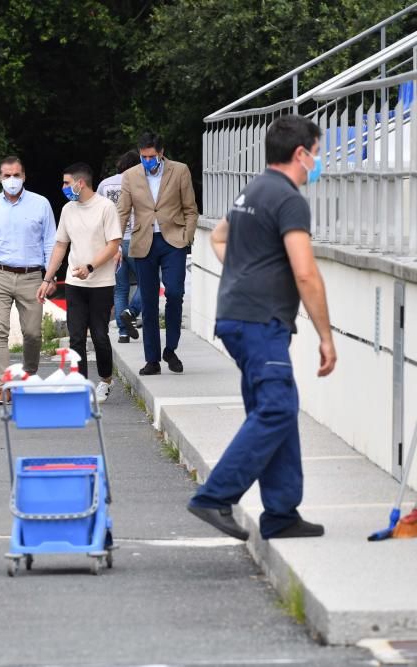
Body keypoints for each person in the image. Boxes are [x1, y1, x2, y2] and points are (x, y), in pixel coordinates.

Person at [187, 115, 336, 541]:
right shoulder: (289, 200)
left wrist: (244, 274)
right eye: (318, 152)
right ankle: (215, 496)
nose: (319, 161)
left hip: (237, 315)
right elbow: (305, 273)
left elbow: (219, 237)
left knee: (276, 407)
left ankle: (281, 512)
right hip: (260, 322)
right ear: (300, 153)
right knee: (275, 408)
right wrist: (326, 336)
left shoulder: (251, 190)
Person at [0, 156, 56, 405]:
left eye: (16, 175)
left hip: (32, 275)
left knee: (32, 333)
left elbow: (51, 242)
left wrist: (50, 277)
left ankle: (28, 377)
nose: (12, 180)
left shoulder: (41, 204)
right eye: (7, 175)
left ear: (24, 176)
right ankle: (3, 386)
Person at [37, 163, 121, 403]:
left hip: (101, 282)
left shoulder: (105, 207)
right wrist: (48, 277)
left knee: (99, 335)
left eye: (66, 183)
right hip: (75, 283)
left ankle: (105, 379)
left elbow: (113, 245)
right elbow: (61, 245)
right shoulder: (67, 210)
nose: (63, 187)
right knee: (76, 336)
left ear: (80, 183)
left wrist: (91, 266)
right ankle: (80, 384)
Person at [117, 130, 198, 375]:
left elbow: (190, 209)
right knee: (149, 302)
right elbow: (122, 211)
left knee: (174, 293)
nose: (147, 161)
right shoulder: (130, 176)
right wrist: (115, 244)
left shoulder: (180, 170)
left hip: (173, 240)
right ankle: (152, 359)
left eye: (151, 156)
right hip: (142, 242)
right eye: (143, 156)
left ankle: (170, 349)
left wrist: (187, 238)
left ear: (161, 153)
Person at [97, 150, 143, 344]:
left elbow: (97, 212)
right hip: (135, 238)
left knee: (120, 288)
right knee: (147, 282)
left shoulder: (104, 185)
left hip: (112, 243)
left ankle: (123, 333)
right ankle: (130, 312)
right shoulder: (141, 182)